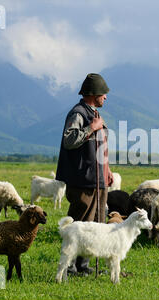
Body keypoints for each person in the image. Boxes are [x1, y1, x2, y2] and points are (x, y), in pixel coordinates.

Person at [55, 73, 113, 275]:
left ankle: (83, 266)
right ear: (93, 93)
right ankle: (69, 266)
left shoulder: (94, 113)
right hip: (82, 179)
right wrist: (91, 127)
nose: (105, 97)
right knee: (79, 224)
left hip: (98, 178)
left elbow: (99, 147)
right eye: (103, 93)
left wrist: (107, 169)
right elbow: (69, 141)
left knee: (95, 224)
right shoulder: (78, 114)